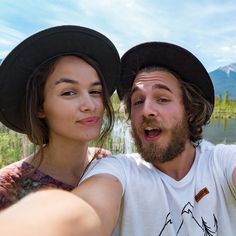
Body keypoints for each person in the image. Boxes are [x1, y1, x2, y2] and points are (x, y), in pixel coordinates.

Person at [1, 42, 236, 236]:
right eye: (137, 101)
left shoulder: (222, 161)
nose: (147, 111)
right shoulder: (117, 169)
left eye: (162, 99)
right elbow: (85, 210)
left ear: (191, 111)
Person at [0, 25, 120, 210]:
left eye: (95, 91)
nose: (90, 105)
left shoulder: (104, 162)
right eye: (69, 93)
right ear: (40, 107)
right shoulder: (7, 187)